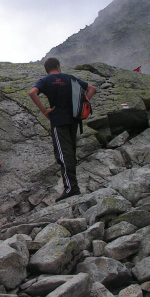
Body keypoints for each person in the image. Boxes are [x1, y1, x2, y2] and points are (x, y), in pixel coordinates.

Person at [29, 58, 96, 202]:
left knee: (63, 154)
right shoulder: (69, 78)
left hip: (58, 121)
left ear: (46, 69)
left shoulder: (45, 81)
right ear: (58, 66)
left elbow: (32, 92)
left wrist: (45, 111)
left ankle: (71, 188)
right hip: (73, 120)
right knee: (70, 152)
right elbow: (92, 89)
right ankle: (73, 186)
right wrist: (83, 104)